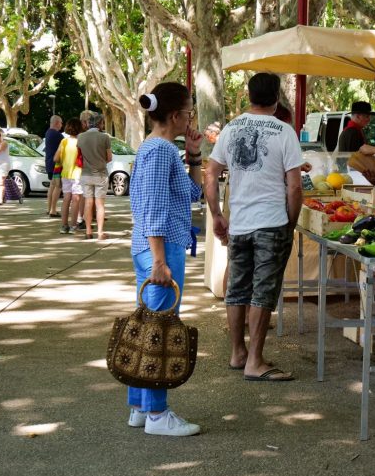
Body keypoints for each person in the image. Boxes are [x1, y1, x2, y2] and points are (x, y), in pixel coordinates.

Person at [205, 72, 303, 382]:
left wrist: (217, 214)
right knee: (263, 290)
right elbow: (294, 187)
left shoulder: (231, 129)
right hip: (272, 221)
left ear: (249, 95)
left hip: (240, 222)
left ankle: (238, 353)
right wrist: (291, 220)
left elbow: (210, 175)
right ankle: (256, 361)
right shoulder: (285, 131)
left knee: (237, 288)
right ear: (276, 98)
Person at [127, 82, 203, 437]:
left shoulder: (162, 149)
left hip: (155, 247)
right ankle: (157, 414)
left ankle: (141, 406)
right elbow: (155, 206)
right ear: (175, 115)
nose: (190, 118)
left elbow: (191, 192)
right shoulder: (159, 150)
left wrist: (194, 156)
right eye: (188, 112)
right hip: (159, 249)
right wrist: (160, 261)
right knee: (159, 329)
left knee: (148, 324)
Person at [77, 113, 112, 240]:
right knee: (100, 205)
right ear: (100, 123)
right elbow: (109, 158)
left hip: (85, 174)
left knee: (88, 202)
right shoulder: (105, 137)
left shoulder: (80, 137)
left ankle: (88, 231)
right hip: (100, 174)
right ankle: (100, 232)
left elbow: (79, 155)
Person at [54, 119, 83, 234]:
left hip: (65, 173)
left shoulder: (64, 142)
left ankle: (63, 225)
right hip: (78, 173)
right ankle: (73, 226)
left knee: (66, 199)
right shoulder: (80, 141)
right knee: (76, 200)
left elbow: (56, 158)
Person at [44, 115, 64, 217]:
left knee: (52, 186)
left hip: (49, 163)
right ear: (56, 123)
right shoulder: (57, 135)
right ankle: (53, 210)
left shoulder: (48, 133)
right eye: (61, 123)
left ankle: (49, 208)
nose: (61, 125)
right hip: (56, 165)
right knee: (58, 186)